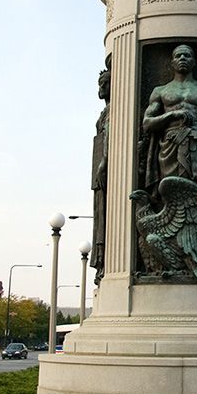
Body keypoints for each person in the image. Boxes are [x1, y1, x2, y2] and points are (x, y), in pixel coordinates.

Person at [142, 44, 197, 190]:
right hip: (170, 144)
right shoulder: (160, 91)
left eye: (187, 55)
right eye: (178, 55)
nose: (182, 58)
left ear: (194, 62)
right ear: (172, 62)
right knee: (169, 187)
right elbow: (147, 123)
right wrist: (171, 115)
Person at [91, 66, 110, 285]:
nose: (101, 87)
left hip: (107, 172)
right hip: (98, 176)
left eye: (105, 83)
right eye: (100, 83)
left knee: (105, 218)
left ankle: (104, 263)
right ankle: (102, 263)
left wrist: (104, 164)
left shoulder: (115, 110)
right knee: (99, 219)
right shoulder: (103, 113)